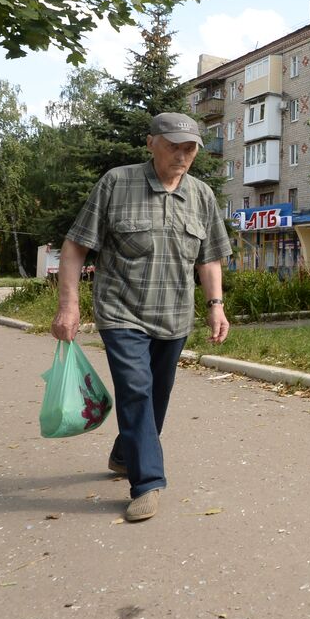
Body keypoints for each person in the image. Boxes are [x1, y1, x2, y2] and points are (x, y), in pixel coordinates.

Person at [53, 113, 232, 522]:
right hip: (122, 311)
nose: (183, 155)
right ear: (151, 143)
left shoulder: (201, 195)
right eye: (174, 146)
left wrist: (216, 306)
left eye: (191, 149)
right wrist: (69, 305)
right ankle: (147, 483)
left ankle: (124, 452)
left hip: (175, 316)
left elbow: (209, 259)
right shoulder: (117, 183)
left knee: (157, 396)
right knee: (136, 389)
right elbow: (75, 247)